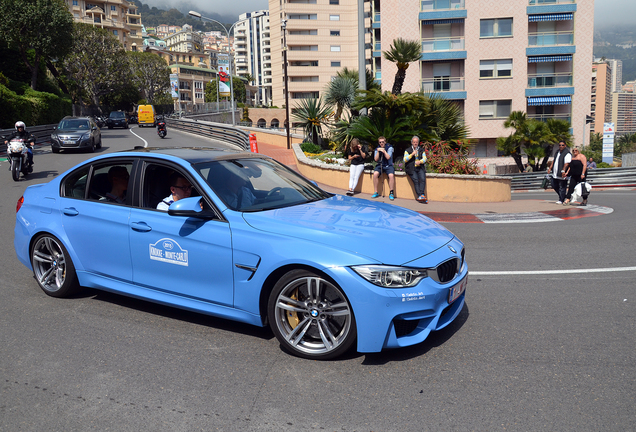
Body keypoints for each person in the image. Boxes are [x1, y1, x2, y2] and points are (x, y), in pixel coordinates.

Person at [404, 136, 428, 203]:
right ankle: (420, 196)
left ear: (418, 143)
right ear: (412, 142)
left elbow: (425, 158)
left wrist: (420, 162)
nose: (415, 143)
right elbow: (405, 160)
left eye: (416, 142)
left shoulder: (421, 150)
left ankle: (422, 194)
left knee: (423, 179)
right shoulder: (407, 150)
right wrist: (411, 154)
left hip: (419, 167)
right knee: (416, 180)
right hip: (411, 168)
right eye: (414, 142)